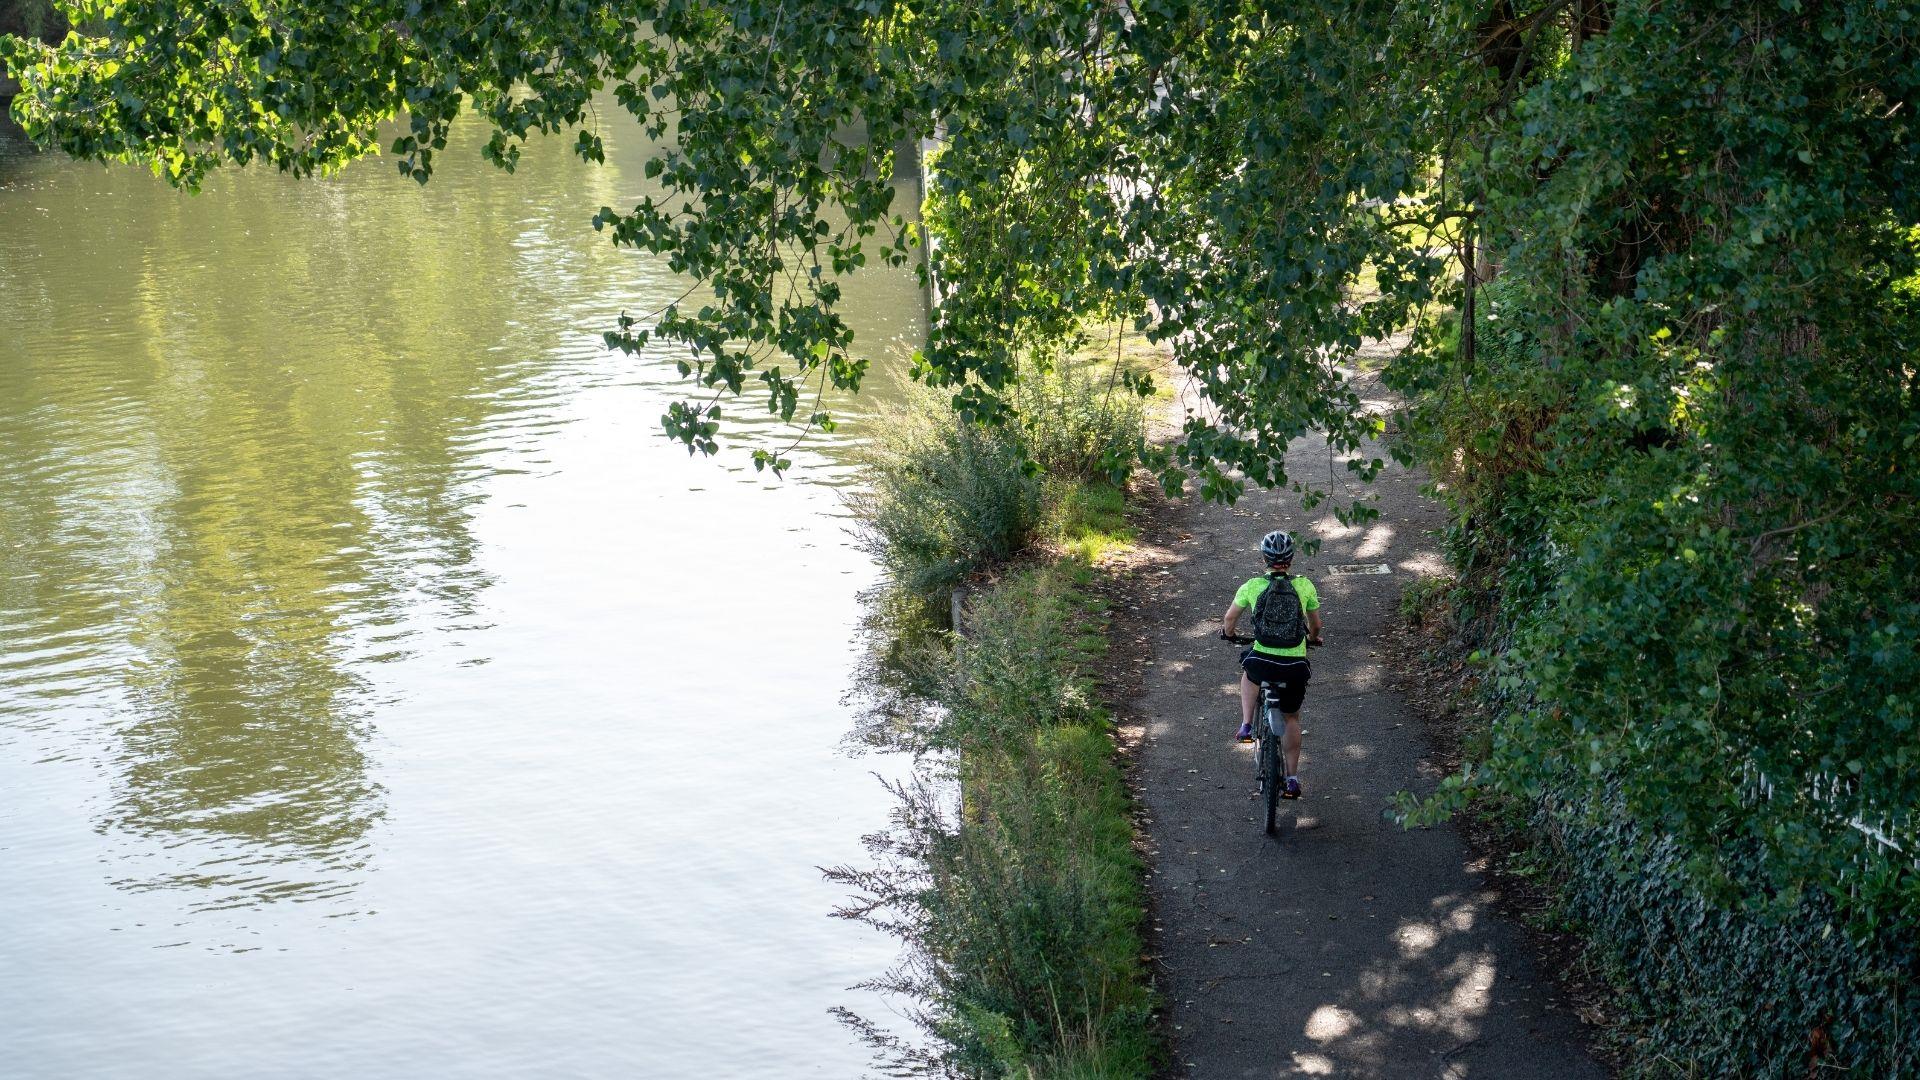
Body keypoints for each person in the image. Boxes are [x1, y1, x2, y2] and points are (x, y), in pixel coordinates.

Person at [1221, 529, 1323, 799]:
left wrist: (1229, 635)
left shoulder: (1252, 586)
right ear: (1290, 559)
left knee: (1249, 672)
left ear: (1265, 558)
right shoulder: (1304, 585)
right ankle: (1291, 779)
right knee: (1291, 717)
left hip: (1263, 660)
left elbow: (1229, 621)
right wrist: (1313, 638)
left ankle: (1246, 726)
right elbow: (1316, 625)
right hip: (1294, 665)